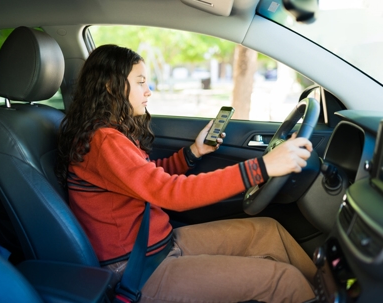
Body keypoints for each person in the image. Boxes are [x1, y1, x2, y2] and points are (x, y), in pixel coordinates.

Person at [57, 44, 317, 303]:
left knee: (269, 232)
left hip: (158, 244)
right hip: (136, 269)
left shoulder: (112, 134)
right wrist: (262, 167)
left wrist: (194, 152)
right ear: (111, 87)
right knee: (282, 280)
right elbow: (171, 192)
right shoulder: (104, 141)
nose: (149, 91)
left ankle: (324, 291)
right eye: (140, 83)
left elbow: (149, 179)